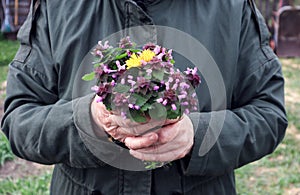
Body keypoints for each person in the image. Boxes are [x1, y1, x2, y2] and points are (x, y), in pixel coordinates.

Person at [1, 0, 288, 194]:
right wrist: (89, 122)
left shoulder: (230, 6)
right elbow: (20, 117)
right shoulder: (58, 6)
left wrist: (197, 137)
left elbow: (268, 114)